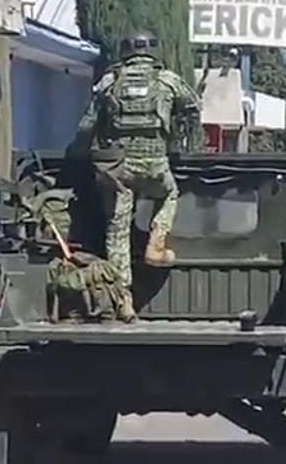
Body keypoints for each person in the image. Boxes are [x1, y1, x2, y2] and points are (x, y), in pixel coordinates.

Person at [72, 30, 202, 292]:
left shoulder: (110, 80)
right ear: (154, 51)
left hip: (119, 167)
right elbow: (193, 107)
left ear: (125, 51)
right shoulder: (168, 80)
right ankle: (156, 243)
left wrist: (77, 154)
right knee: (169, 193)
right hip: (155, 164)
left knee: (118, 227)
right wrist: (180, 136)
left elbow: (87, 125)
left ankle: (122, 299)